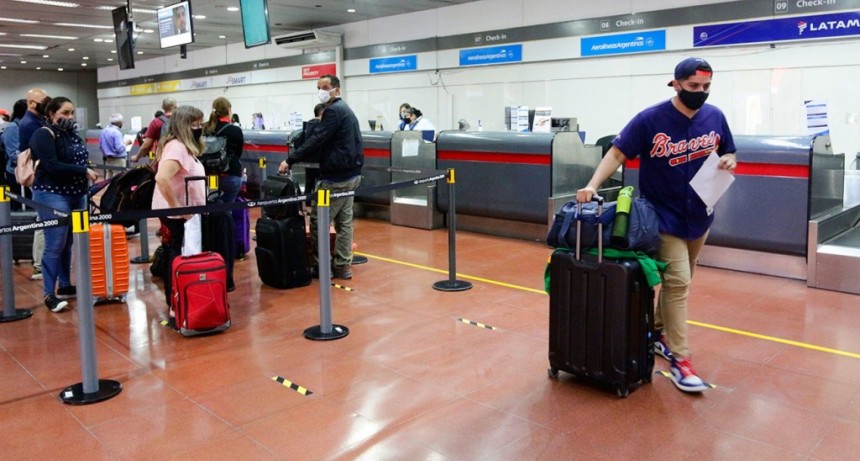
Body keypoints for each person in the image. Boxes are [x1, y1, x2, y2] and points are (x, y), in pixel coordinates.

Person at [575, 57, 737, 393]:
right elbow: (617, 153)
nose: (700, 92)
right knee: (678, 282)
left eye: (706, 86)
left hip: (700, 215)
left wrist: (728, 159)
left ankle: (659, 333)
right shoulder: (650, 119)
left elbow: (729, 150)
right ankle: (681, 359)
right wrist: (592, 184)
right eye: (693, 86)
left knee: (684, 277)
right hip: (663, 216)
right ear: (676, 84)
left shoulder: (715, 116)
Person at [278, 74, 363, 280]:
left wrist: (290, 160)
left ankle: (322, 267)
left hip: (335, 179)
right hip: (352, 175)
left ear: (337, 89)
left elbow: (317, 139)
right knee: (344, 224)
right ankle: (342, 266)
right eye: (318, 87)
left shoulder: (333, 111)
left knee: (319, 221)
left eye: (325, 87)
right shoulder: (346, 109)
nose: (321, 92)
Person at [29, 96, 99, 312]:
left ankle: (66, 284)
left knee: (67, 242)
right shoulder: (43, 134)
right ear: (51, 114)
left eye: (72, 113)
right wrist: (83, 170)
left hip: (77, 193)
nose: (70, 117)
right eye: (65, 113)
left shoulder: (71, 134)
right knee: (55, 243)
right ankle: (49, 294)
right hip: (52, 193)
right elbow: (51, 165)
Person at [151, 105, 206, 325]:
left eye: (200, 124)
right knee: (177, 255)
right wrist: (178, 208)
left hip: (185, 214)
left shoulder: (184, 146)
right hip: (177, 216)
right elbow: (162, 178)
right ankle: (176, 302)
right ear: (184, 125)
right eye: (195, 124)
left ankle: (180, 298)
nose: (199, 128)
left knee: (178, 254)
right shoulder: (177, 147)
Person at [19, 88, 50, 281]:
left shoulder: (37, 120)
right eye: (43, 101)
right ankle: (39, 265)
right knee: (44, 220)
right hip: (40, 177)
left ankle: (43, 263)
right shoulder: (30, 124)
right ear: (31, 103)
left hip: (42, 176)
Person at [202, 96, 244, 204]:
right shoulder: (235, 130)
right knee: (227, 206)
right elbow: (238, 153)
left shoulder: (204, 128)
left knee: (212, 203)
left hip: (210, 174)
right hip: (230, 175)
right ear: (229, 110)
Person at [131, 98, 176, 164]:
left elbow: (146, 145)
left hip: (159, 155)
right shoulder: (182, 120)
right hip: (179, 156)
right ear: (176, 106)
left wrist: (137, 157)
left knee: (153, 165)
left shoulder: (156, 122)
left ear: (162, 107)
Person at [2, 99, 27, 197]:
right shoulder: (12, 127)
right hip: (16, 172)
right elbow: (14, 155)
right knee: (20, 202)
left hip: (27, 171)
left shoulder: (27, 126)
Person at [99, 113, 132, 179]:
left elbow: (101, 146)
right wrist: (126, 143)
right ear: (119, 123)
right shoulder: (117, 133)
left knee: (108, 180)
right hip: (118, 160)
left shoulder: (104, 131)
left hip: (108, 160)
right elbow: (119, 149)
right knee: (118, 180)